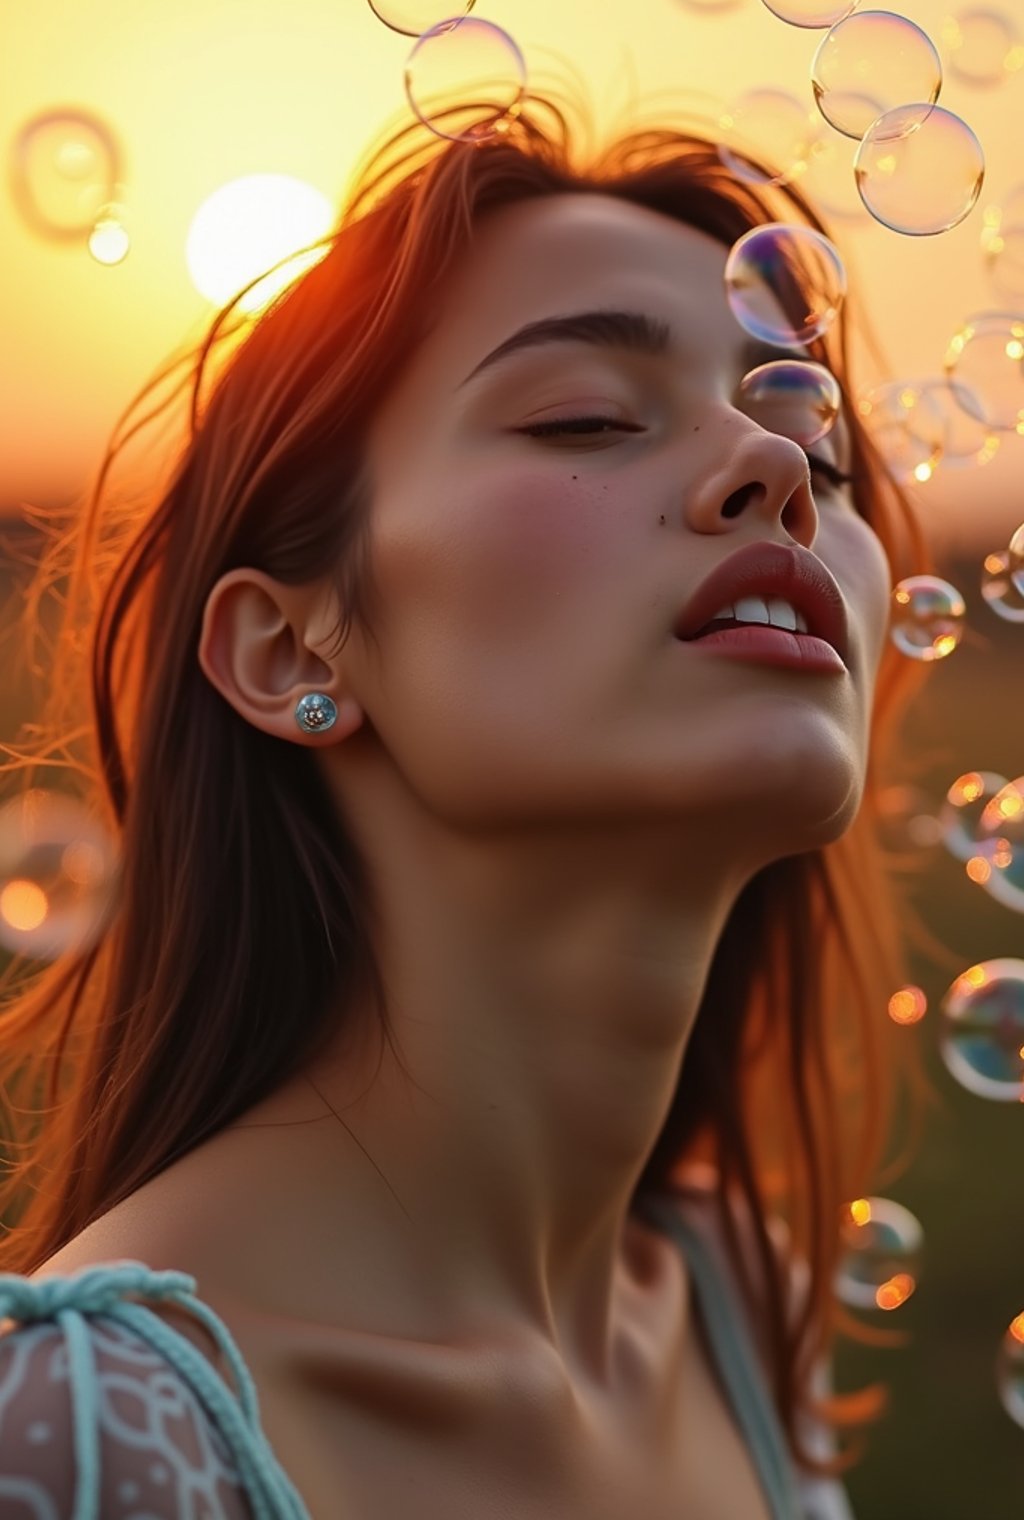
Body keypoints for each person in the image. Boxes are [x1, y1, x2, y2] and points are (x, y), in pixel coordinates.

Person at [0, 83, 936, 1519]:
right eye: (587, 416)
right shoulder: (87, 1437)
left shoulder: (736, 1313)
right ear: (289, 648)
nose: (772, 471)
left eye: (817, 450)